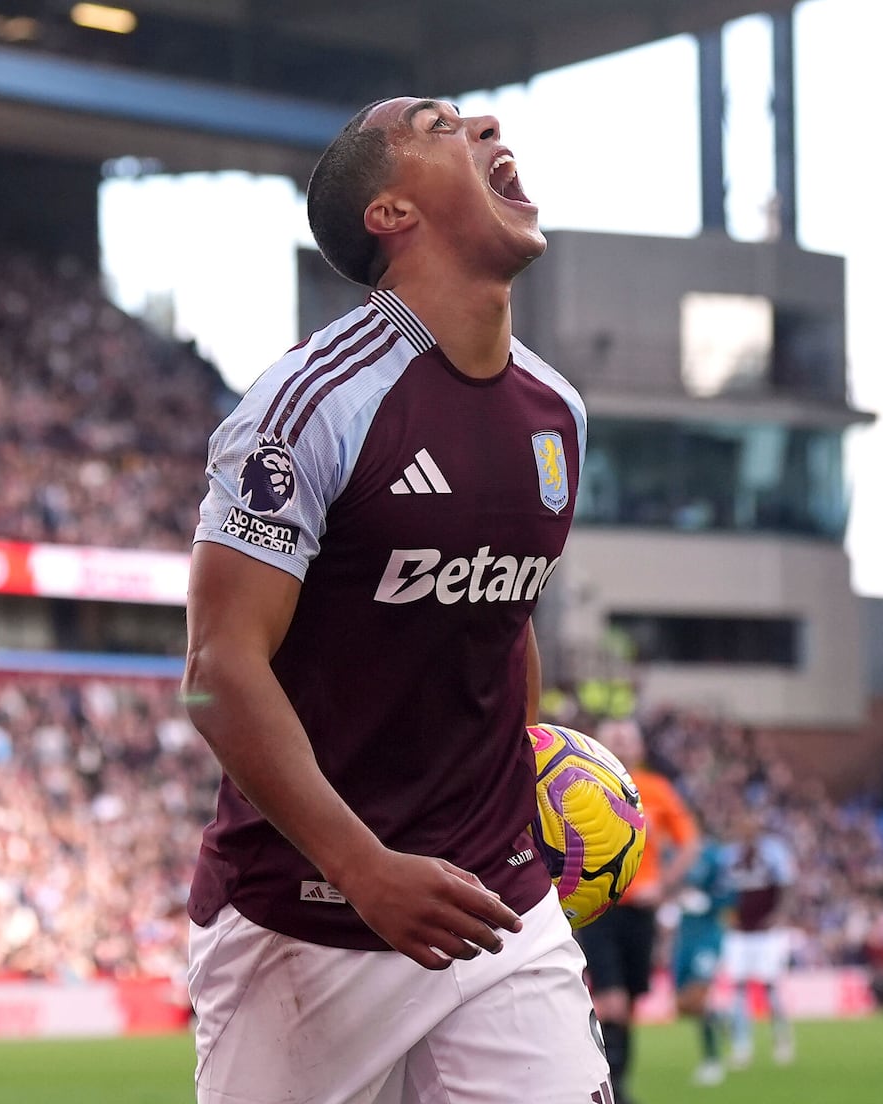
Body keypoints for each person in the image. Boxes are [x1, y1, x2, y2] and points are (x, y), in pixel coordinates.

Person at [182, 96, 610, 1102]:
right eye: (440, 126)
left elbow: (505, 624)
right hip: (306, 920)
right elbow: (216, 671)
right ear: (390, 213)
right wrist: (362, 866)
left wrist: (526, 776)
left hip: (494, 909)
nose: (489, 125)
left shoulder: (558, 414)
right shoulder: (308, 404)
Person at [575, 717, 700, 1104]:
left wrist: (662, 886)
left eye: (627, 738)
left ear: (640, 748)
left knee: (627, 999)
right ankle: (613, 1085)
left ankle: (618, 1079)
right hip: (598, 907)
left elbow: (690, 842)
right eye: (613, 737)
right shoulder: (580, 782)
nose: (621, 744)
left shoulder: (657, 790)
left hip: (640, 911)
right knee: (609, 997)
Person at [720, 812, 797, 1068]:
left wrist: (781, 914)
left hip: (766, 932)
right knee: (739, 989)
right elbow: (723, 889)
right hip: (740, 932)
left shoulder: (773, 852)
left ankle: (782, 1039)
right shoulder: (729, 855)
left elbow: (787, 885)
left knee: (770, 987)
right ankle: (742, 1046)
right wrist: (725, 915)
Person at [672, 833, 735, 1087]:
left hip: (708, 936)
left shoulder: (715, 856)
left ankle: (712, 1061)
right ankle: (721, 1017)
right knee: (683, 1005)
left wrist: (708, 902)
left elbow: (731, 894)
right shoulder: (674, 854)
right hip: (685, 936)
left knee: (697, 996)